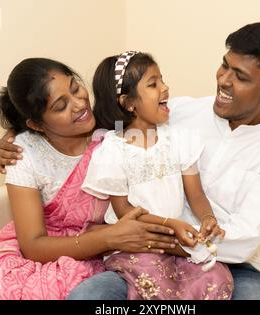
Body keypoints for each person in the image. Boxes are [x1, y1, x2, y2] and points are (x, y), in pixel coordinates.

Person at [0, 21, 260, 300]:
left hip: (231, 262)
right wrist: (20, 138)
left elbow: (244, 239)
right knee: (89, 296)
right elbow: (106, 125)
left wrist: (165, 237)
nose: (223, 80)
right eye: (224, 66)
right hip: (145, 253)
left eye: (239, 76)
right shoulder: (178, 112)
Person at [0, 58, 178, 300]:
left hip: (106, 256)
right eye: (61, 106)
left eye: (75, 88)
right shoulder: (24, 152)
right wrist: (109, 237)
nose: (79, 104)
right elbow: (32, 245)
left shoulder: (111, 131)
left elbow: (152, 117)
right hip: (41, 257)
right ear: (36, 123)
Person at [80, 51, 233, 300]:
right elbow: (124, 212)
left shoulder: (179, 139)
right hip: (138, 243)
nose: (165, 87)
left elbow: (195, 193)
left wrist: (207, 218)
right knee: (155, 280)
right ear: (128, 103)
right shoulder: (112, 150)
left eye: (162, 79)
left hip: (177, 241)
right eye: (153, 84)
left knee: (217, 277)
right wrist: (170, 224)